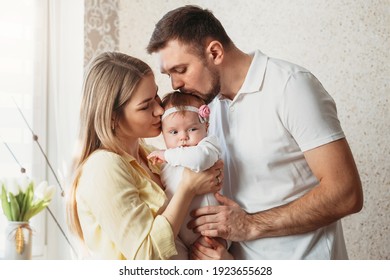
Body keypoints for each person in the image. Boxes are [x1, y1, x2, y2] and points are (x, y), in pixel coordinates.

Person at [146, 5, 364, 259]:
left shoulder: (291, 87)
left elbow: (346, 194)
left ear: (214, 52)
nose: (175, 84)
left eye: (180, 70)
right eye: (168, 74)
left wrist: (250, 225)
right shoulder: (203, 108)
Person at [66, 51, 224, 260]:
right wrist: (188, 188)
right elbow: (145, 256)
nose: (160, 109)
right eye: (145, 105)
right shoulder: (103, 167)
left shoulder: (151, 156)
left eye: (156, 96)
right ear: (113, 117)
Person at [147, 91, 231, 259]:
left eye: (192, 129)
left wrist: (166, 155)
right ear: (163, 134)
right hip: (180, 232)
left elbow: (200, 160)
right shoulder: (165, 163)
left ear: (205, 127)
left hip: (211, 231)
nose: (183, 137)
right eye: (173, 132)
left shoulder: (207, 146)